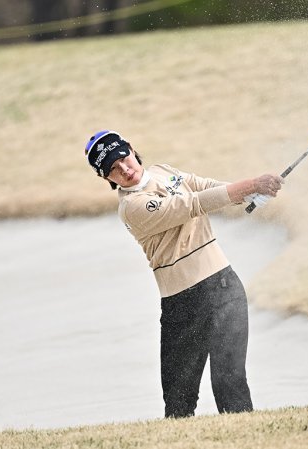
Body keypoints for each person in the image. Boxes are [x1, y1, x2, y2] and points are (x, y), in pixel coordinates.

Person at [84, 130, 283, 418]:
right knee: (179, 403)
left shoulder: (163, 171)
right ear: (107, 179)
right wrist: (250, 184)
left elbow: (205, 187)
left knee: (231, 381)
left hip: (224, 287)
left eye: (123, 158)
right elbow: (191, 204)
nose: (124, 169)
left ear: (131, 148)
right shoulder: (132, 207)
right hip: (183, 305)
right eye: (113, 169)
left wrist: (251, 192)